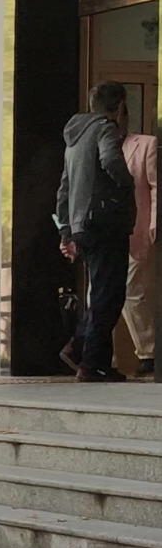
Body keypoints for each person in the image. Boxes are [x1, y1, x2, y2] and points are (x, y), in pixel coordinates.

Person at [58, 81, 136, 382]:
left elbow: (64, 187)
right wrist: (126, 184)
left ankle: (93, 359)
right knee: (109, 294)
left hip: (82, 225)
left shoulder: (75, 136)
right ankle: (87, 360)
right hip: (106, 222)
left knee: (101, 291)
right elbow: (111, 160)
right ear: (119, 105)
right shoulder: (105, 127)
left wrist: (66, 230)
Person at [120, 93, 157, 378]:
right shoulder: (95, 146)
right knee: (101, 295)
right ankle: (97, 358)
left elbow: (156, 187)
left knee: (133, 292)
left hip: (138, 231)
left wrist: (154, 224)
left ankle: (148, 354)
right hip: (106, 236)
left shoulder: (146, 144)